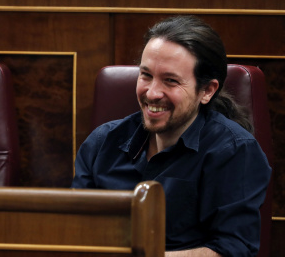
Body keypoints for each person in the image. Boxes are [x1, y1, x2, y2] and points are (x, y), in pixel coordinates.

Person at [72, 16, 271, 256]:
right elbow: (77, 231)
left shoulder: (234, 151)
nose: (153, 93)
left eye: (170, 81)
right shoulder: (101, 142)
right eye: (146, 75)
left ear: (207, 91)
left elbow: (234, 249)